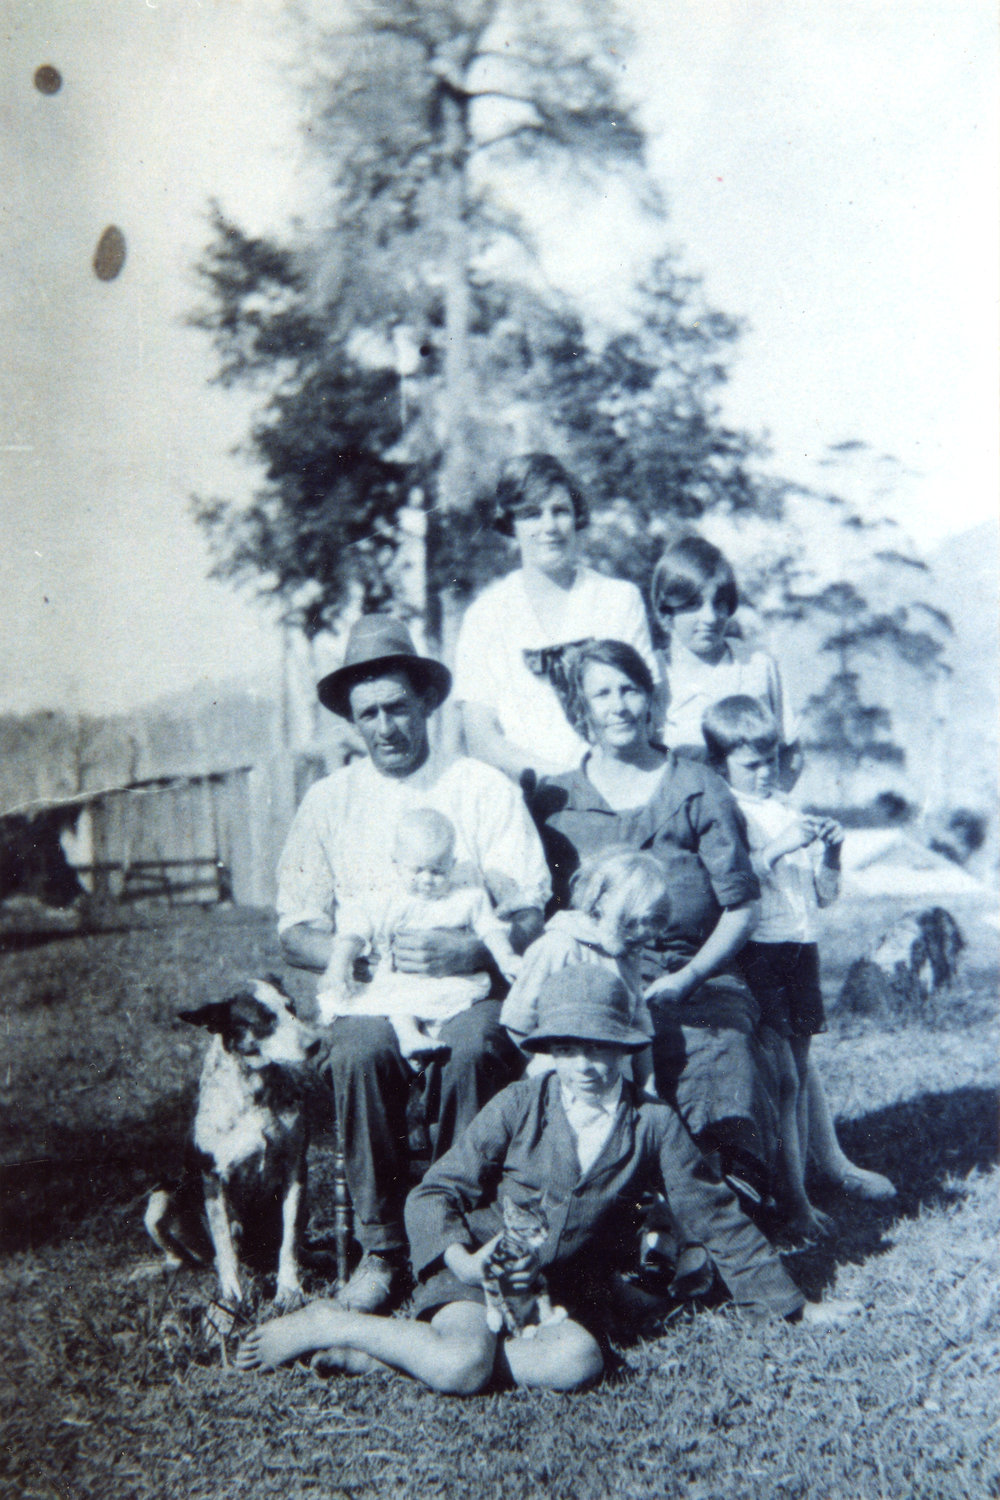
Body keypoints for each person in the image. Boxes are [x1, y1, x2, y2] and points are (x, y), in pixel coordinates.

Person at [236, 968, 855, 1392]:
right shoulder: (519, 1103)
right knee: (460, 1365)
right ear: (552, 1050)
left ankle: (379, 1358)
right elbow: (436, 1190)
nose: (587, 1066)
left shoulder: (653, 1123)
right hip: (476, 1271)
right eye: (570, 1048)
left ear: (626, 1049)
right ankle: (332, 1324)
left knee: (578, 1361)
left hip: (560, 1286)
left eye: (603, 1049)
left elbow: (716, 1216)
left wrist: (792, 1309)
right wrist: (464, 1258)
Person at [276, 615, 551, 1312]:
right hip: (376, 990)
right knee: (358, 1051)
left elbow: (528, 912)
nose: (386, 725)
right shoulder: (329, 801)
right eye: (368, 713)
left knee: (475, 1044)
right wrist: (358, 954)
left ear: (427, 702)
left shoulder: (481, 788)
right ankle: (382, 1249)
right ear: (351, 720)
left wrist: (474, 948)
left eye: (398, 706)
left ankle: (456, 1239)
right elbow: (296, 930)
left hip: (469, 983)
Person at [529, 638, 782, 1202]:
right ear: (580, 708)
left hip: (694, 976)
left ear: (649, 698)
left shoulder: (696, 787)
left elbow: (741, 907)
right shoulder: (555, 799)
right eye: (602, 693)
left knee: (713, 1049)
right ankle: (614, 1207)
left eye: (630, 689)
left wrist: (687, 979)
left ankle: (718, 1207)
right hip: (593, 979)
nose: (618, 705)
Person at [702, 695, 896, 1214]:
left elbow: (825, 895)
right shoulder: (726, 810)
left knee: (800, 1078)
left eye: (771, 761)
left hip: (800, 951)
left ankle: (801, 1188)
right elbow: (733, 880)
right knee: (781, 1079)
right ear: (722, 765)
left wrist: (831, 851)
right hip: (758, 952)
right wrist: (779, 847)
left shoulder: (786, 811)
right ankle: (790, 1198)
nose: (765, 773)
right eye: (751, 764)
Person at [453, 453, 658, 780]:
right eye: (532, 514)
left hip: (612, 789)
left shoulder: (618, 600)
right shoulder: (486, 615)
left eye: (560, 511)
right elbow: (480, 736)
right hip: (525, 794)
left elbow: (645, 708)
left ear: (577, 518)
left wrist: (596, 787)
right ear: (511, 524)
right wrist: (559, 780)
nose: (549, 527)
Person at [318, 808, 521, 1065]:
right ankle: (409, 1037)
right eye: (417, 870)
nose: (427, 879)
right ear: (397, 863)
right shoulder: (385, 899)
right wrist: (338, 965)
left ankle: (423, 1049)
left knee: (453, 1015)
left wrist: (507, 957)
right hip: (400, 981)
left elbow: (491, 929)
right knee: (398, 1000)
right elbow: (354, 932)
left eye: (438, 871)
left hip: (451, 980)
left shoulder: (467, 898)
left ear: (452, 864)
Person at [500, 845, 670, 1064]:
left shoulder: (625, 951)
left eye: (652, 924)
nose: (638, 938)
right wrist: (551, 1070)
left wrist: (647, 1083)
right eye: (629, 925)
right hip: (562, 1071)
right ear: (601, 901)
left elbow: (639, 1021)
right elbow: (519, 1023)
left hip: (613, 1072)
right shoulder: (558, 946)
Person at [650, 536, 795, 772]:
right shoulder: (650, 675)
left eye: (719, 603)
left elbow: (791, 753)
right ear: (667, 612)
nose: (710, 617)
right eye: (693, 605)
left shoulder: (756, 666)